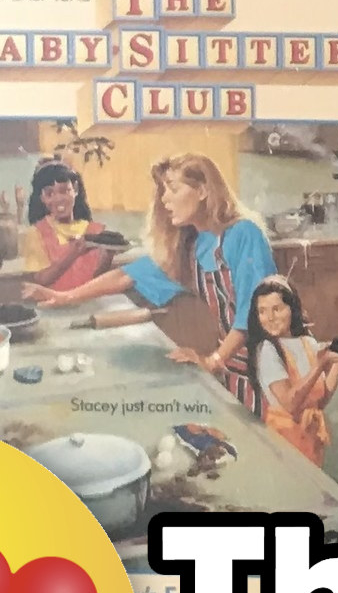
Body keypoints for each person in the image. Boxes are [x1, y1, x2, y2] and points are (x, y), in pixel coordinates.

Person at [31, 151, 276, 409]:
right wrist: (65, 296)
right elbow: (128, 274)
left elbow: (253, 313)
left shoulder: (244, 233)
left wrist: (213, 360)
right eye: (162, 190)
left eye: (172, 188)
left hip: (269, 366)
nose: (164, 198)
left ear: (203, 190)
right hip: (233, 364)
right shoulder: (193, 243)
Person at [250, 274, 338, 462]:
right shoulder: (268, 350)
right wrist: (319, 364)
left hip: (310, 441)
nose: (269, 318)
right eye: (262, 311)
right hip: (283, 445)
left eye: (276, 309)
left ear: (291, 309)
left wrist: (337, 361)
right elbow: (290, 404)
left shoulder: (307, 343)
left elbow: (321, 400)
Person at [20, 161, 114, 294]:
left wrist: (108, 257)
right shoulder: (37, 233)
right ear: (41, 198)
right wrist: (73, 253)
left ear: (75, 189)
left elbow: (95, 279)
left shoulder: (95, 230)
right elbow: (40, 280)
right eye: (49, 194)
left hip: (89, 301)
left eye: (64, 191)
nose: (58, 199)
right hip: (53, 306)